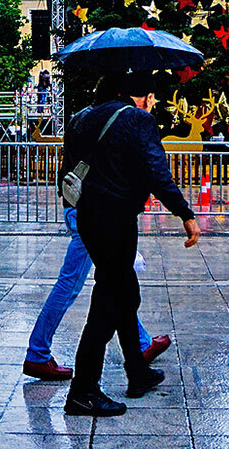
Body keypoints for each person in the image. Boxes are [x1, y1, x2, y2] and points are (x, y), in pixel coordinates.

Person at [63, 72, 200, 418]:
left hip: (89, 215)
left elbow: (68, 170)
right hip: (115, 217)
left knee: (124, 291)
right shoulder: (137, 120)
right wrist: (185, 212)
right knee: (110, 298)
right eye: (151, 96)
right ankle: (83, 390)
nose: (153, 103)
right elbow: (157, 171)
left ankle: (137, 372)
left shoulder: (80, 119)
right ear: (136, 97)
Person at [24, 75, 171, 382]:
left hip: (79, 206)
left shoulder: (82, 119)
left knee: (118, 283)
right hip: (90, 213)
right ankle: (37, 353)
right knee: (74, 284)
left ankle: (141, 347)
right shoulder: (111, 120)